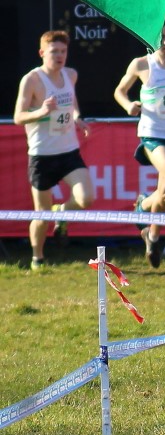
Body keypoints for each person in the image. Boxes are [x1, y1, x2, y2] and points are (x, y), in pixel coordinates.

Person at [113, 13, 165, 266]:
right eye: (160, 37)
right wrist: (128, 105)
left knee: (163, 196)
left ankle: (150, 229)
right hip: (153, 134)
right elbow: (119, 91)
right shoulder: (141, 64)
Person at [15, 30, 93, 270]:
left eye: (63, 51)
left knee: (86, 198)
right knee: (42, 213)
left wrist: (78, 119)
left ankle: (62, 212)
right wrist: (41, 112)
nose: (59, 56)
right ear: (42, 53)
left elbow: (73, 104)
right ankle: (37, 257)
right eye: (54, 52)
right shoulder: (32, 80)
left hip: (69, 151)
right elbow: (18, 117)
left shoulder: (71, 75)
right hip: (41, 155)